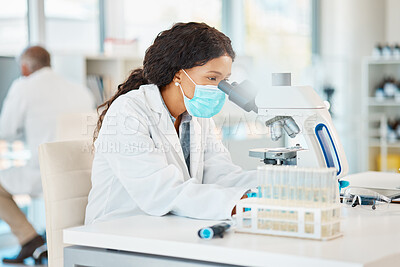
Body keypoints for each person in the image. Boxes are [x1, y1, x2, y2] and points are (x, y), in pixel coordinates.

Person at [85, 22, 257, 225]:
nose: (220, 89)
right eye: (212, 78)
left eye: (224, 80)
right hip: (117, 231)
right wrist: (242, 204)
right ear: (178, 74)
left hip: (167, 226)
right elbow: (161, 192)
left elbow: (221, 175)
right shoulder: (128, 112)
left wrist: (275, 187)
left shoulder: (197, 115)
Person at [0, 46, 95, 264]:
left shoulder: (23, 87)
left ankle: (29, 239)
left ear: (24, 68)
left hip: (44, 173)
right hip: (82, 174)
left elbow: (6, 130)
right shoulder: (79, 89)